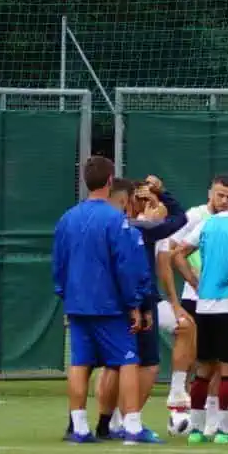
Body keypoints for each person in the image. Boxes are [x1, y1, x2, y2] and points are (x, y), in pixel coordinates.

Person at [53, 155, 156, 444]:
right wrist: (134, 303)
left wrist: (65, 293)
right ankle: (133, 427)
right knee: (127, 360)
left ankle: (80, 427)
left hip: (77, 303)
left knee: (79, 363)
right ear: (110, 181)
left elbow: (58, 264)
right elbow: (127, 266)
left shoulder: (67, 218)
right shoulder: (116, 220)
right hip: (110, 305)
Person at [176, 180, 228, 443]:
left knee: (203, 370)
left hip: (205, 306)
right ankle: (224, 430)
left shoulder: (207, 223)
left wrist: (193, 281)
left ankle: (197, 431)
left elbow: (178, 253)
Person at [93, 178, 167, 439]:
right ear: (126, 200)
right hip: (131, 300)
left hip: (98, 300)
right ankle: (130, 422)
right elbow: (134, 269)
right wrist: (141, 306)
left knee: (107, 364)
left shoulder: (86, 222)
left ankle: (100, 423)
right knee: (137, 362)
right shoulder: (134, 228)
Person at [160, 176, 228, 413]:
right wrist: (193, 279)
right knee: (191, 350)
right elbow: (172, 248)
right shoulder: (196, 215)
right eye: (220, 194)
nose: (224, 200)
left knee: (217, 359)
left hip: (222, 299)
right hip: (195, 296)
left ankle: (210, 413)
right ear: (210, 192)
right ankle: (179, 399)